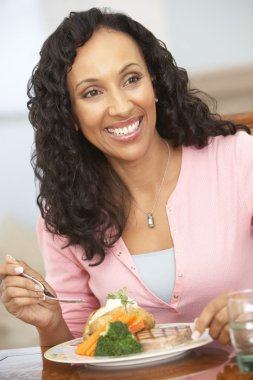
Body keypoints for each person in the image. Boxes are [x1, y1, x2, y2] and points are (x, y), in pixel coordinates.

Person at [0, 8, 252, 348]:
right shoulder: (63, 212)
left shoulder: (237, 158)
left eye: (131, 79)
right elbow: (74, 353)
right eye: (92, 93)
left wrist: (249, 311)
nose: (120, 107)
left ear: (155, 83)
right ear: (69, 114)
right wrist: (49, 321)